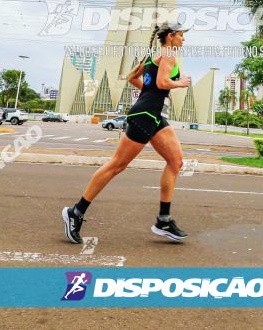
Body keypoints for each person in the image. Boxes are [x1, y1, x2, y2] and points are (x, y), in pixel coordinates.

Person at [62, 22, 191, 243]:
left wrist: (150, 91)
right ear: (170, 37)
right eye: (180, 35)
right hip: (144, 116)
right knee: (116, 165)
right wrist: (180, 83)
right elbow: (161, 82)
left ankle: (164, 219)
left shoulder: (154, 56)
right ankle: (75, 212)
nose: (183, 40)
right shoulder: (168, 55)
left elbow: (132, 77)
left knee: (176, 161)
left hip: (154, 116)